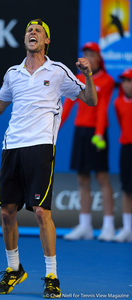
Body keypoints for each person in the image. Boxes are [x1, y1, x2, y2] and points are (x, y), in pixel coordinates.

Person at [0, 19, 97, 298]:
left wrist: (88, 75)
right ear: (25, 39)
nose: (32, 33)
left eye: (38, 31)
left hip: (40, 148)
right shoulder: (13, 73)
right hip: (11, 147)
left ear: (47, 40)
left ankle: (52, 275)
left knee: (40, 212)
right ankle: (14, 269)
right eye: (29, 30)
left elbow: (90, 100)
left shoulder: (59, 71)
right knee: (6, 212)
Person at [60, 42, 115, 242]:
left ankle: (108, 226)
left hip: (97, 133)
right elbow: (67, 105)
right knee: (82, 179)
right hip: (80, 131)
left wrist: (99, 133)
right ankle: (85, 226)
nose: (88, 57)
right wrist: (56, 128)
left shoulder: (107, 81)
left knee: (102, 178)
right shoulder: (77, 78)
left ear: (98, 58)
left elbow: (102, 108)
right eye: (85, 54)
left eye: (91, 54)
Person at [113, 69, 132, 243]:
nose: (126, 84)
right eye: (124, 81)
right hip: (126, 148)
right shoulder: (118, 103)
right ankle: (127, 228)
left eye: (129, 80)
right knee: (126, 189)